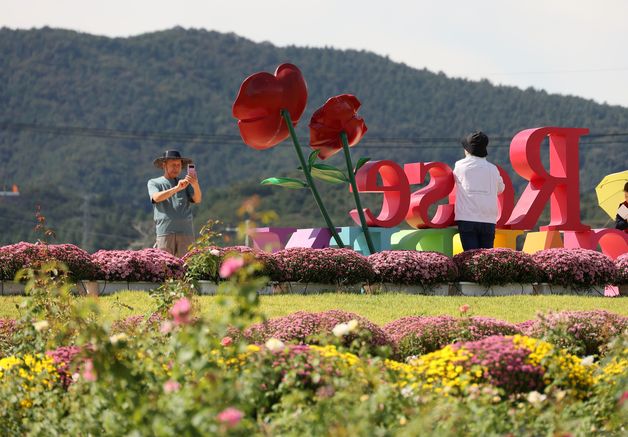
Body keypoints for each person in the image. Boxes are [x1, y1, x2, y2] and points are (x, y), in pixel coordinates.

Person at [453, 131, 505, 251]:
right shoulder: (493, 169)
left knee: (471, 258)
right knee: (485, 260)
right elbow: (501, 188)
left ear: (468, 150)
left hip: (467, 217)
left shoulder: (460, 166)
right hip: (488, 219)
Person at [147, 150, 202, 257]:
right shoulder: (154, 182)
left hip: (186, 232)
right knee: (164, 267)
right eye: (173, 165)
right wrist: (177, 188)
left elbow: (197, 199)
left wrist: (195, 185)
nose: (176, 168)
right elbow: (156, 198)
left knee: (187, 267)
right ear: (164, 165)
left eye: (178, 165)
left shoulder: (185, 183)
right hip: (165, 232)